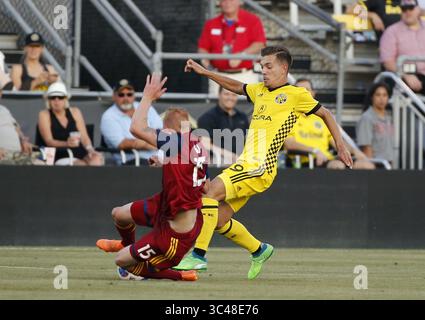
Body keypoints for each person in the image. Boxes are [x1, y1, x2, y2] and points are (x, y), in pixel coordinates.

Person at [174, 46, 353, 278]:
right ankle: (259, 250)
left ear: (284, 68)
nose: (264, 71)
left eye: (268, 66)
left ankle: (198, 256)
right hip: (247, 165)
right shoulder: (260, 90)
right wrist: (205, 72)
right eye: (261, 67)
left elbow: (326, 114)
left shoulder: (296, 95)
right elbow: (236, 86)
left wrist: (340, 145)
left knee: (209, 192)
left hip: (259, 166)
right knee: (217, 219)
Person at [96, 74, 208, 281]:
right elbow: (205, 185)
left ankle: (178, 276)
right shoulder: (197, 145)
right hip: (166, 206)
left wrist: (147, 97)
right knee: (119, 214)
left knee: (122, 262)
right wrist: (167, 164)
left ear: (168, 129)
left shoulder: (174, 141)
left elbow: (136, 128)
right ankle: (128, 246)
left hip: (176, 233)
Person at [284, 79, 375, 169]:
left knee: (366, 165)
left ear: (313, 93)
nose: (304, 93)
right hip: (306, 161)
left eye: (307, 90)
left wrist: (355, 152)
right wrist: (314, 151)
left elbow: (336, 142)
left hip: (327, 159)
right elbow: (289, 144)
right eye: (300, 90)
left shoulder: (321, 117)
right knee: (338, 166)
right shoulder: (288, 117)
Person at [198, 0, 266, 96]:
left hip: (245, 75)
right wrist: (207, 66)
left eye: (231, 0)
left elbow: (259, 43)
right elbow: (203, 48)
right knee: (218, 108)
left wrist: (242, 55)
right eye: (224, 1)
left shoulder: (252, 20)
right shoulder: (211, 23)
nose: (228, 3)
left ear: (240, 2)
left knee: (249, 108)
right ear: (220, 3)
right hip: (218, 76)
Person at [37, 82, 104, 166]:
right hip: (57, 154)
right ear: (48, 100)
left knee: (96, 160)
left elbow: (84, 136)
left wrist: (90, 150)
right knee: (81, 165)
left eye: (60, 97)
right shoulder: (44, 114)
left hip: (79, 152)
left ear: (65, 99)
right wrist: (67, 144)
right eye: (53, 97)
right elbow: (49, 141)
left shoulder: (75, 112)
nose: (56, 100)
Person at [100, 79, 163, 165]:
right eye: (121, 95)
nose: (126, 98)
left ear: (134, 96)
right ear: (114, 96)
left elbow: (159, 129)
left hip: (157, 157)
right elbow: (122, 143)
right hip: (131, 161)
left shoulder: (144, 106)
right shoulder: (108, 116)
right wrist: (153, 143)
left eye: (129, 94)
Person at [380, 0, 425, 94]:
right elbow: (388, 62)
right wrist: (405, 75)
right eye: (404, 9)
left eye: (411, 8)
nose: (407, 12)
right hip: (404, 76)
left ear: (418, 10)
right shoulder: (391, 32)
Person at [197, 86, 249, 164]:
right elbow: (205, 144)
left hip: (240, 160)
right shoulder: (207, 117)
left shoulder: (242, 117)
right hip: (217, 161)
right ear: (219, 95)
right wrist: (228, 155)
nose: (230, 98)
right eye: (226, 94)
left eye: (233, 95)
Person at [0, 88, 42, 165]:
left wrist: (23, 140)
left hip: (18, 153)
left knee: (42, 165)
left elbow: (16, 127)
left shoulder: (4, 110)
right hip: (4, 155)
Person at [356, 82, 395, 165]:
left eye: (385, 95)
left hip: (389, 164)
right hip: (376, 165)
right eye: (378, 95)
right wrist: (371, 169)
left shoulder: (388, 118)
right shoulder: (366, 118)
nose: (382, 98)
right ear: (372, 97)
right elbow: (366, 147)